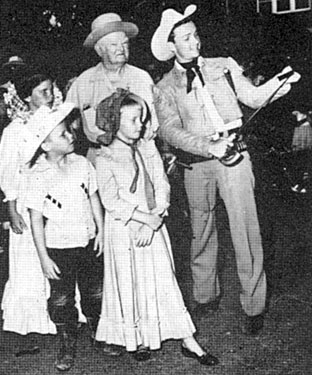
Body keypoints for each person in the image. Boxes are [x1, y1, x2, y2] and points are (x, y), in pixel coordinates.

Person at [151, 4, 301, 335]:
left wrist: (280, 83)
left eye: (196, 35)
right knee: (201, 230)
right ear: (172, 46)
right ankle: (205, 296)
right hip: (198, 163)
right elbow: (170, 131)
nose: (196, 43)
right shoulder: (164, 86)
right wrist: (208, 146)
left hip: (235, 155)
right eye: (187, 38)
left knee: (245, 229)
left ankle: (254, 305)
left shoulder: (224, 66)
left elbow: (252, 95)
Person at [94, 89, 218, 366]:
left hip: (153, 224)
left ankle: (188, 340)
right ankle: (136, 336)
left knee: (164, 280)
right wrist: (142, 219)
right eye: (134, 120)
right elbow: (111, 201)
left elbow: (162, 184)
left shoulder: (147, 149)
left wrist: (157, 216)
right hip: (125, 229)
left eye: (142, 119)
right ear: (115, 123)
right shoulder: (104, 159)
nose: (141, 125)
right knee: (131, 281)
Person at [25, 103, 104, 372]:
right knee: (61, 298)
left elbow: (93, 196)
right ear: (45, 146)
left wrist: (101, 230)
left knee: (95, 290)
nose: (71, 136)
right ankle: (66, 340)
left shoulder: (81, 163)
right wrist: (44, 257)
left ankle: (98, 331)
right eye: (62, 135)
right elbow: (35, 218)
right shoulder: (38, 175)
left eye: (69, 131)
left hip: (88, 240)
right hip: (59, 246)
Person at [0, 73, 57, 355]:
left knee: (58, 256)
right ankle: (30, 326)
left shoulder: (56, 121)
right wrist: (12, 207)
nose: (50, 96)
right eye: (43, 92)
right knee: (27, 263)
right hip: (26, 200)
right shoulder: (14, 130)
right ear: (27, 97)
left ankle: (64, 317)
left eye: (51, 91)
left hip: (57, 199)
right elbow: (8, 170)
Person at [66, 12, 159, 164]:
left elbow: (156, 120)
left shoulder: (142, 78)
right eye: (113, 45)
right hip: (100, 157)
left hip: (139, 155)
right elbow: (68, 122)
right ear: (99, 50)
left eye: (125, 43)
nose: (121, 49)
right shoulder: (83, 82)